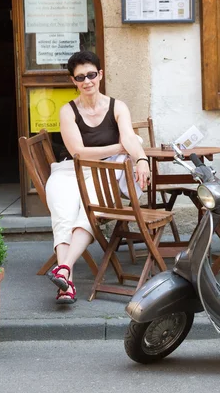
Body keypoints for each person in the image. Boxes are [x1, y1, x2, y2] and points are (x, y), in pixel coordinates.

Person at [45, 50, 150, 304]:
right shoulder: (68, 111)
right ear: (73, 81)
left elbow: (128, 137)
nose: (87, 81)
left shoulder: (117, 106)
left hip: (103, 174)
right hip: (70, 172)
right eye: (80, 78)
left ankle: (64, 273)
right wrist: (119, 148)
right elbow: (79, 153)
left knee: (87, 214)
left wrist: (141, 158)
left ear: (100, 75)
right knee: (63, 217)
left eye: (91, 75)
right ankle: (66, 277)